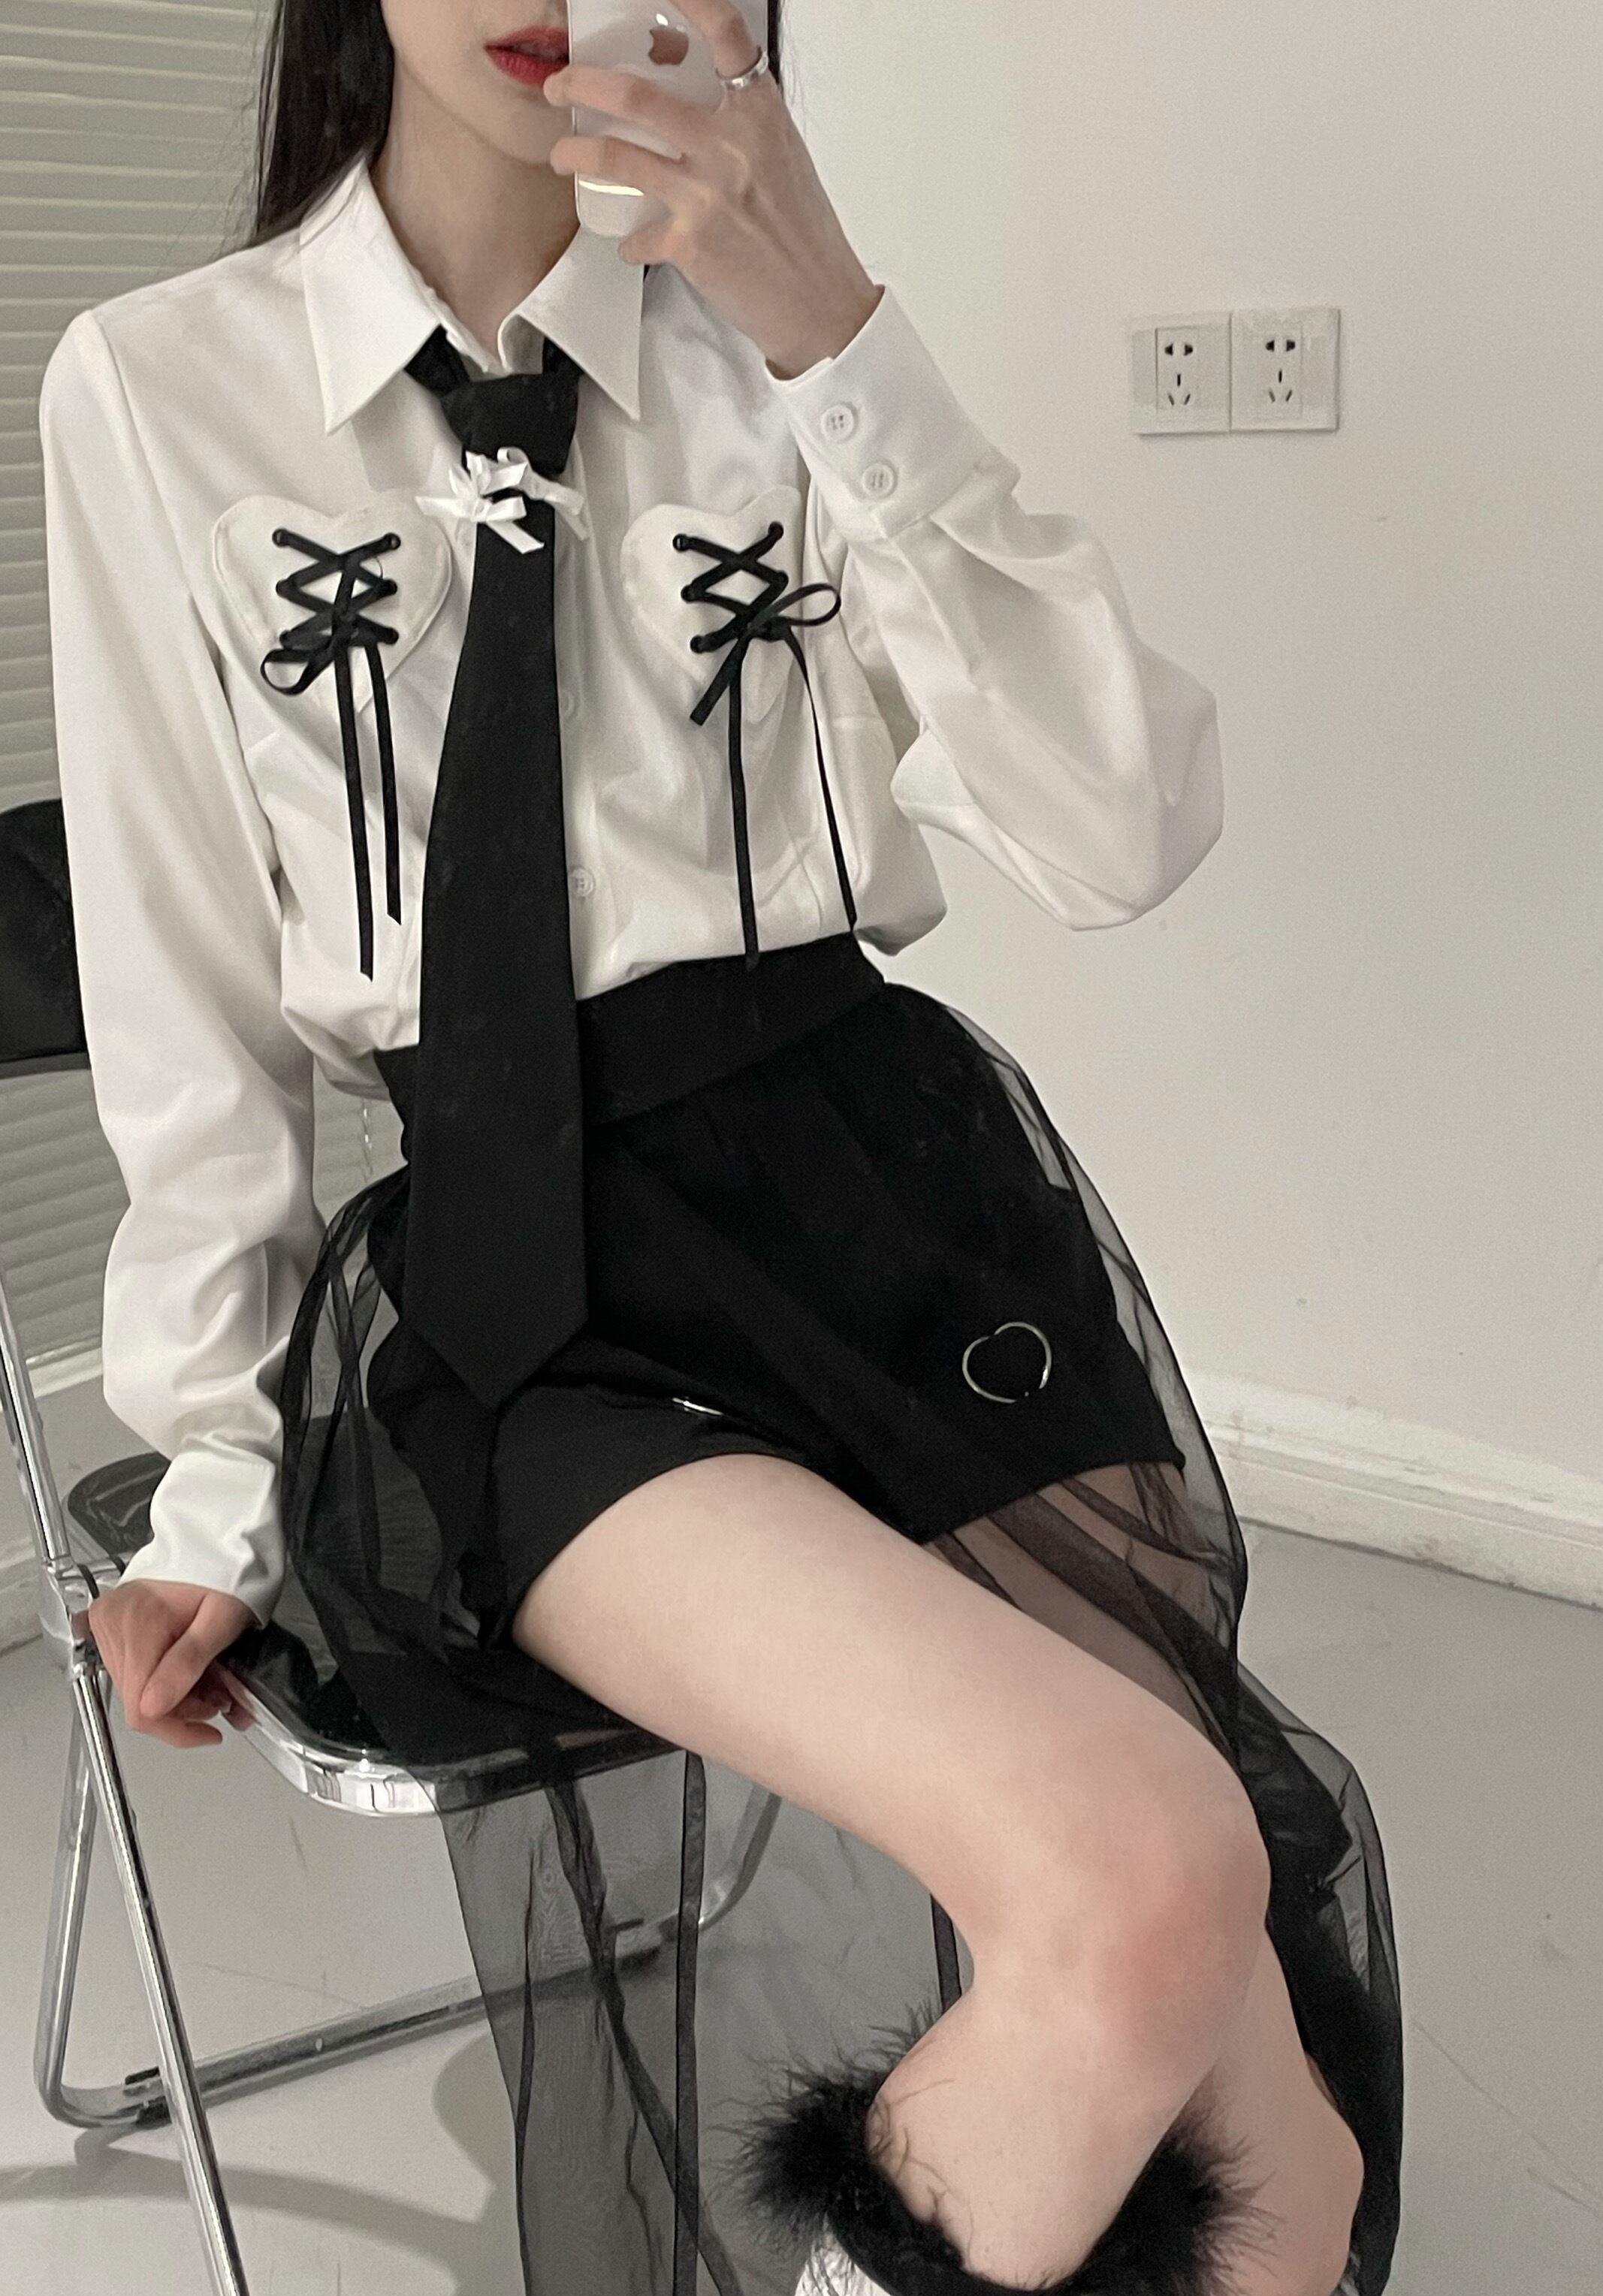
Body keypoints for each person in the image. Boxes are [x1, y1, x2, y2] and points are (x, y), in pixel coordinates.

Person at [38, 3, 1402, 2292]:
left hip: (900, 1214)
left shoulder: (785, 344)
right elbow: (190, 1015)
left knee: (1282, 2162)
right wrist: (215, 1480)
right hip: (529, 1290)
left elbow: (1116, 826)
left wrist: (832, 331)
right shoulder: (164, 386)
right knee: (1149, 1866)